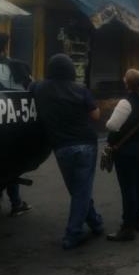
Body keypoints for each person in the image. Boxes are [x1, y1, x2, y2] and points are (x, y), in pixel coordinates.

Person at [31, 54, 103, 249]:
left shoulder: (39, 88)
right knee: (81, 190)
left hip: (62, 147)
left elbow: (28, 90)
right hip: (86, 144)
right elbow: (96, 115)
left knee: (77, 189)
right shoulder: (79, 89)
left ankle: (96, 222)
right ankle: (73, 234)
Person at [0, 32, 34, 216]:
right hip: (10, 125)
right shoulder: (12, 66)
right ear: (5, 46)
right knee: (11, 166)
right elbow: (28, 91)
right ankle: (16, 203)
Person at [105, 69, 139, 242]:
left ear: (127, 83)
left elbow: (112, 125)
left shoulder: (126, 103)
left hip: (128, 150)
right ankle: (138, 220)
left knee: (128, 188)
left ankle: (127, 227)